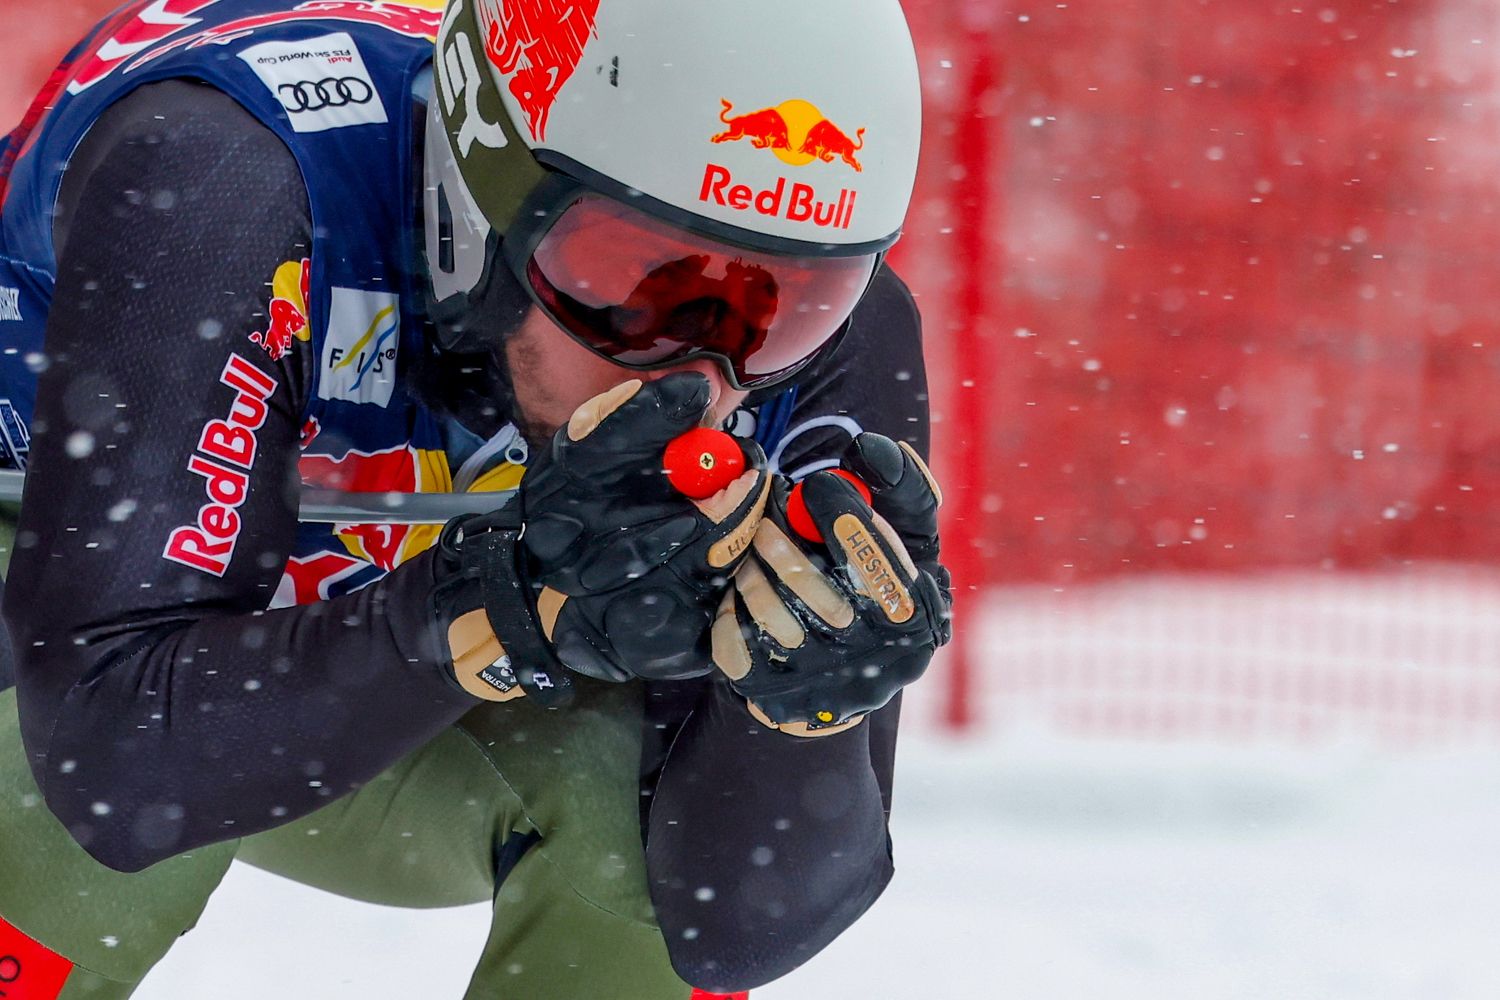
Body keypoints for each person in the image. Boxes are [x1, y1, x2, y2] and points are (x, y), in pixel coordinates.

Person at [0, 0, 951, 997]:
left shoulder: (849, 338)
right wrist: (495, 610)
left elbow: (730, 931)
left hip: (331, 646)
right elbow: (108, 759)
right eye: (634, 281)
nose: (701, 381)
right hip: (62, 583)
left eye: (789, 307)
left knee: (640, 825)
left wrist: (800, 713)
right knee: (55, 786)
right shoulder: (222, 171)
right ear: (487, 183)